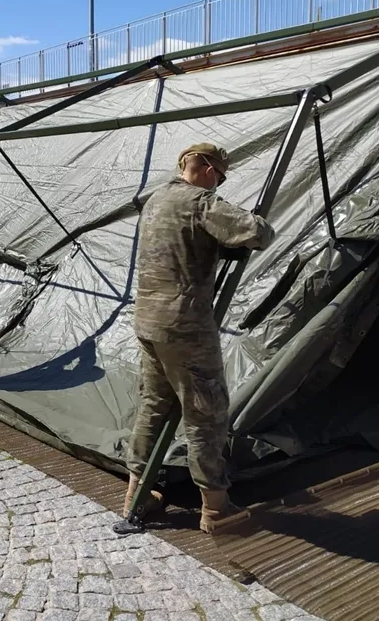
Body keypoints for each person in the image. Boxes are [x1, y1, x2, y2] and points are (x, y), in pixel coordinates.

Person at [124, 143, 275, 534]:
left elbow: (183, 246)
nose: (220, 183)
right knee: (206, 412)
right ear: (207, 168)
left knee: (154, 405)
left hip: (148, 320)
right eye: (221, 176)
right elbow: (257, 232)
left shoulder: (156, 199)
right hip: (185, 326)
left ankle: (136, 496)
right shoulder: (200, 201)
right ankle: (217, 508)